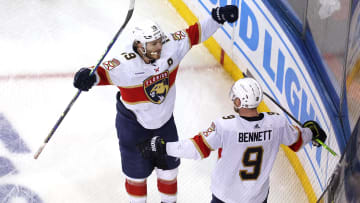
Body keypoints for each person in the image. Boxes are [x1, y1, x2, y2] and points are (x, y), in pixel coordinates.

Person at [73, 5, 239, 203]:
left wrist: (218, 18)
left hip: (164, 123)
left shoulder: (170, 46)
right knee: (137, 177)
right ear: (140, 46)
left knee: (169, 172)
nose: (159, 47)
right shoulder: (125, 65)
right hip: (134, 127)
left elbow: (195, 33)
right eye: (153, 44)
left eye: (159, 42)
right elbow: (100, 73)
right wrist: (87, 76)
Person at [137, 77, 327, 203]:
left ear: (238, 102)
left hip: (225, 197)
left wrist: (162, 147)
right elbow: (297, 140)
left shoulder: (225, 127)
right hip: (257, 198)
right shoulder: (276, 123)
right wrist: (312, 132)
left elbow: (196, 149)